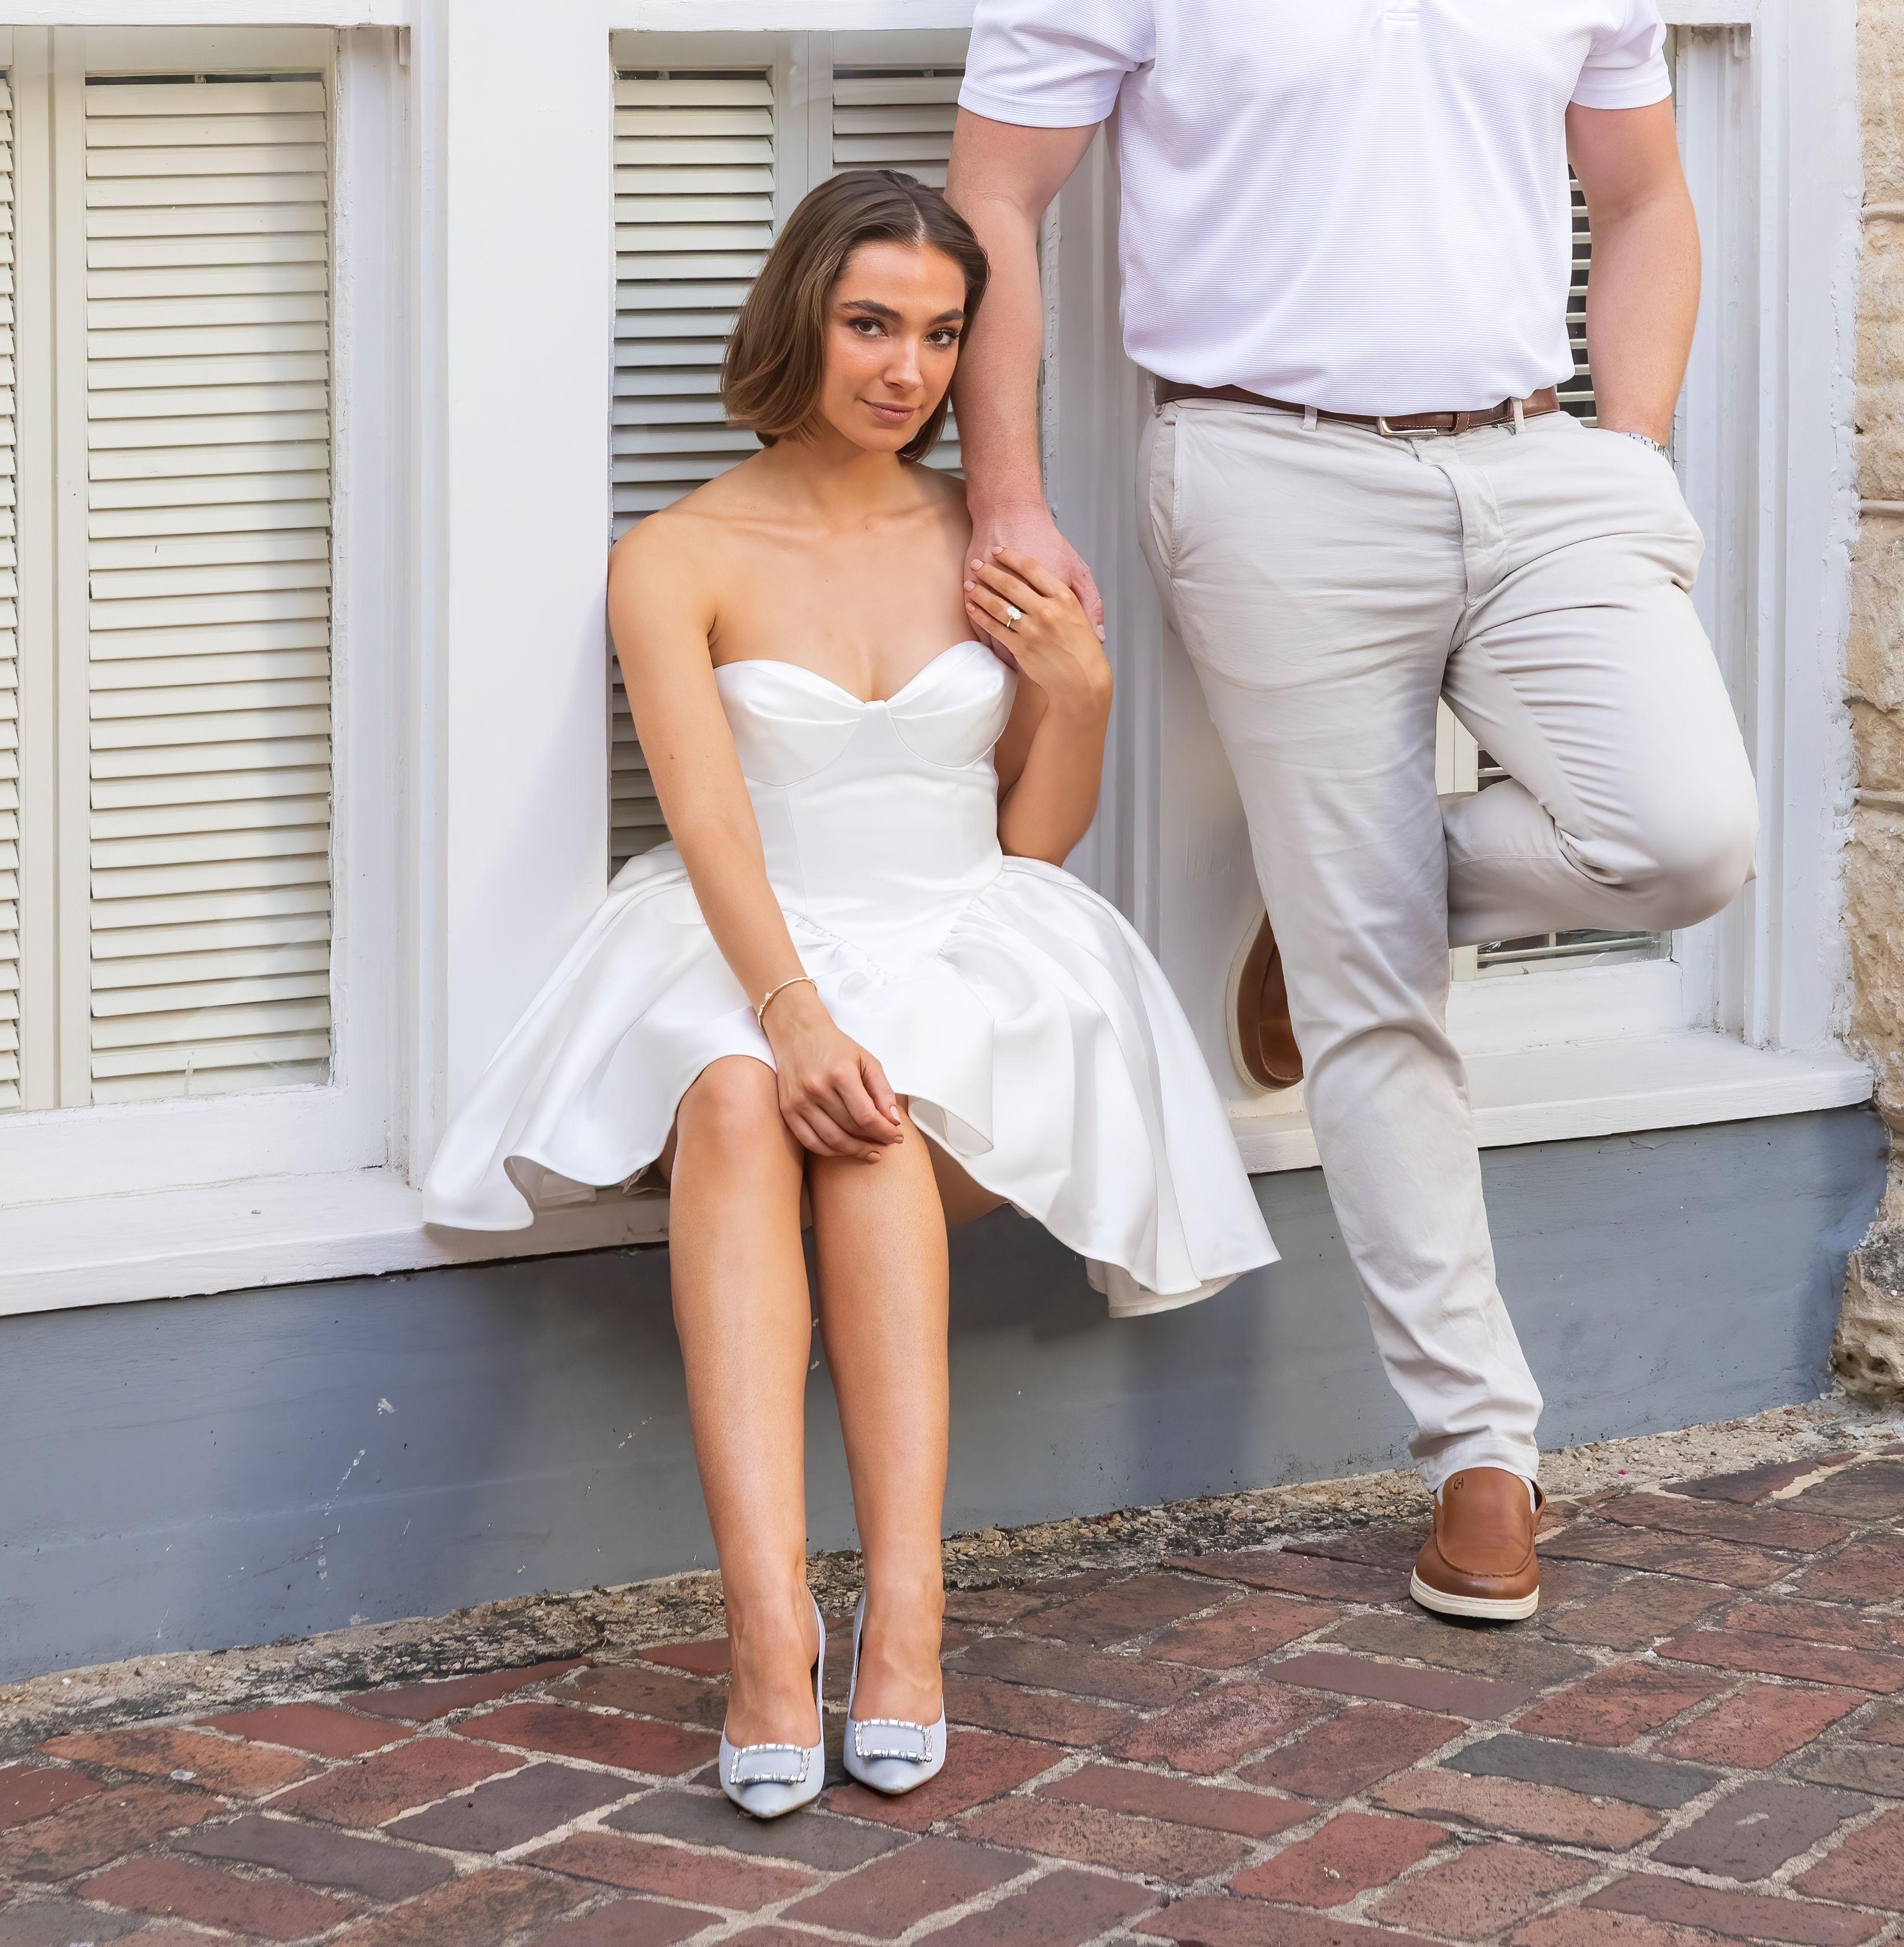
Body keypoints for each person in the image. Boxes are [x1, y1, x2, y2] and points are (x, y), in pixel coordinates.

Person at [944, 0, 1760, 1630]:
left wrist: (1630, 449)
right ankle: (1482, 1455)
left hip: (1538, 460)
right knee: (1389, 997)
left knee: (1685, 840)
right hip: (1272, 473)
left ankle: (1330, 918)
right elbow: (996, 203)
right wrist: (1006, 493)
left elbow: (1643, 201)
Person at [425, 170, 1275, 1821]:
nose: (908, 370)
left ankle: (909, 1618)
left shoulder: (987, 539)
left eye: (942, 336)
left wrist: (1083, 695)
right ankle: (767, 1631)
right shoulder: (676, 556)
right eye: (873, 324)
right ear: (800, 316)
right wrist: (794, 1009)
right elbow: (707, 819)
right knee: (745, 1093)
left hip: (968, 938)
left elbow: (1032, 839)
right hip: (749, 936)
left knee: (874, 1117)